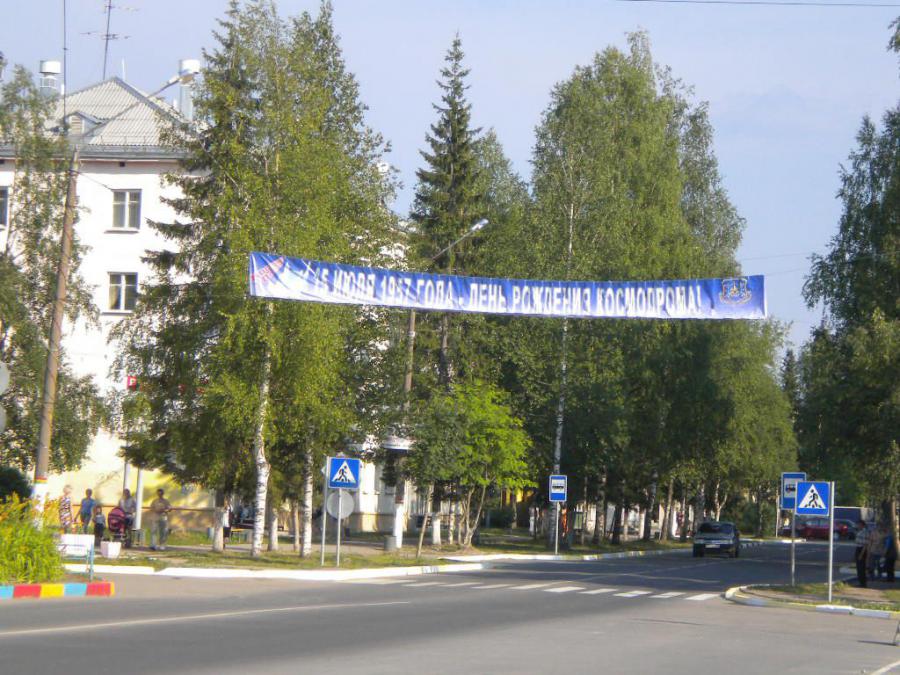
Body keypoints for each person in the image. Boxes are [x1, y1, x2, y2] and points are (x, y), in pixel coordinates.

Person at [854, 520, 870, 587]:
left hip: (862, 550)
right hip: (858, 548)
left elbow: (865, 545)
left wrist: (861, 554)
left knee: (861, 568)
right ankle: (860, 582)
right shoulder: (859, 531)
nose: (858, 526)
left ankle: (863, 583)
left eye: (859, 524)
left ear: (862, 525)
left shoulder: (865, 532)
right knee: (858, 567)